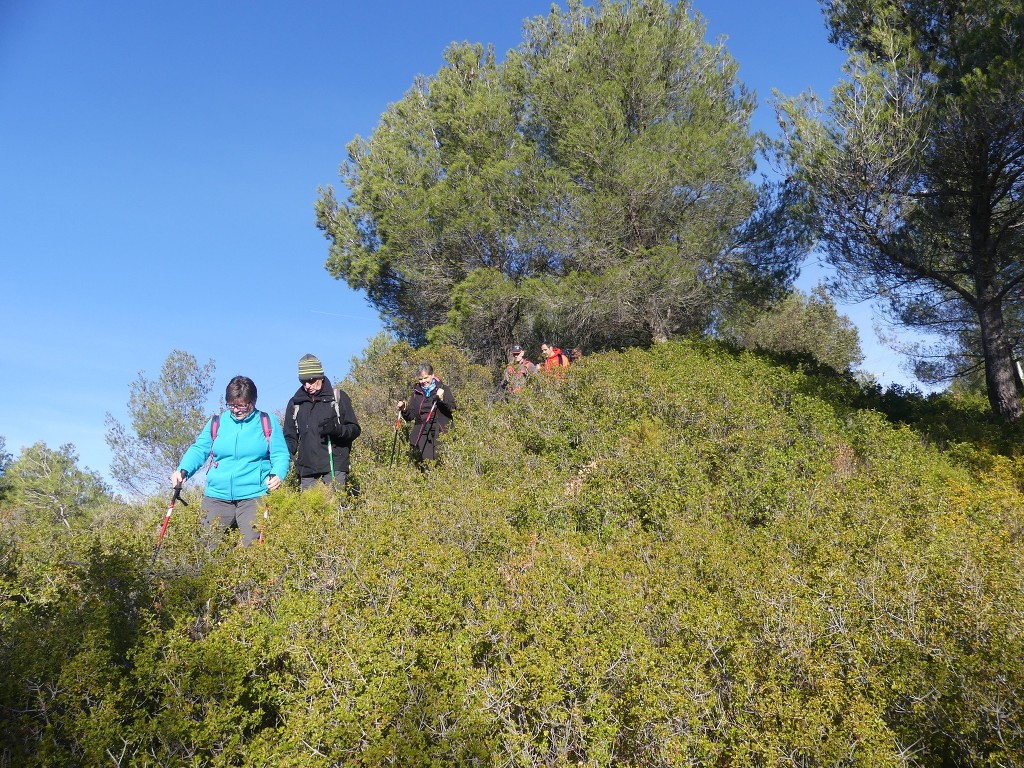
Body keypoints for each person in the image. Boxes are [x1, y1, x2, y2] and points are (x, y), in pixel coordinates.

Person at [171, 375, 289, 546]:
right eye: (232, 405)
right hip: (216, 496)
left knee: (253, 548)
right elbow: (199, 449)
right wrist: (183, 469)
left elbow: (280, 454)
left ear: (253, 401)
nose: (236, 410)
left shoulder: (266, 421)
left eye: (242, 405)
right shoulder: (217, 422)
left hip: (254, 496)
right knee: (208, 548)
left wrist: (278, 474)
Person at [284, 353, 361, 490]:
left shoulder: (337, 397)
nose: (307, 385)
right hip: (306, 469)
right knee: (309, 510)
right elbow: (290, 437)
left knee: (334, 509)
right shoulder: (295, 403)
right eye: (303, 382)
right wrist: (283, 456)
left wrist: (337, 429)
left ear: (321, 376)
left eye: (311, 380)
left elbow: (354, 429)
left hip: (333, 466)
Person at [397, 363, 456, 463]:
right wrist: (403, 409)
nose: (423, 381)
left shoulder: (443, 389)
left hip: (441, 429)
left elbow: (452, 408)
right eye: (420, 379)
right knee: (427, 464)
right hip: (423, 431)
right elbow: (410, 416)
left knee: (442, 462)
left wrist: (442, 399)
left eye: (425, 378)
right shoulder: (416, 393)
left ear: (432, 375)